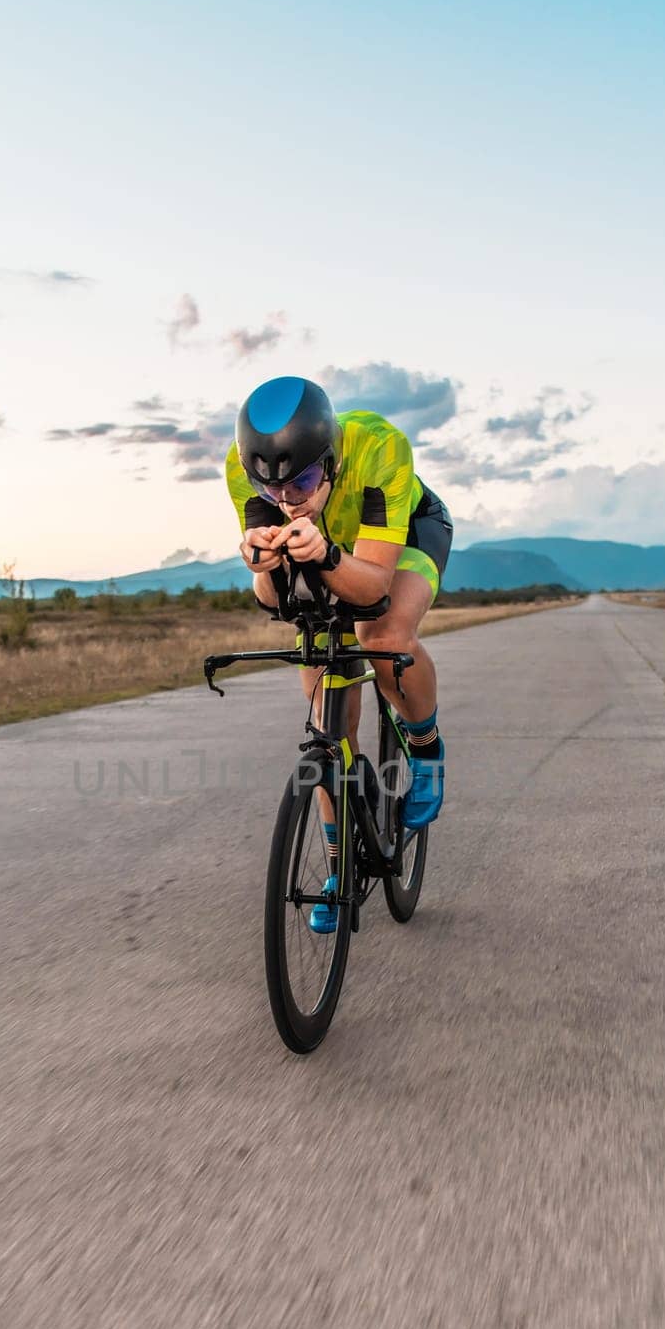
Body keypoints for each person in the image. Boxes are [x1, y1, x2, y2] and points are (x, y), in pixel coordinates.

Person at [225, 376, 453, 928]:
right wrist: (264, 565)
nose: (287, 501)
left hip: (404, 539)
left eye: (302, 481)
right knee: (326, 713)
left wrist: (326, 555)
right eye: (271, 491)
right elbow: (272, 601)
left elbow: (373, 587)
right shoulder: (245, 471)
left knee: (383, 637)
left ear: (328, 460)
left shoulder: (379, 447)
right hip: (325, 548)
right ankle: (339, 865)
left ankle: (425, 748)